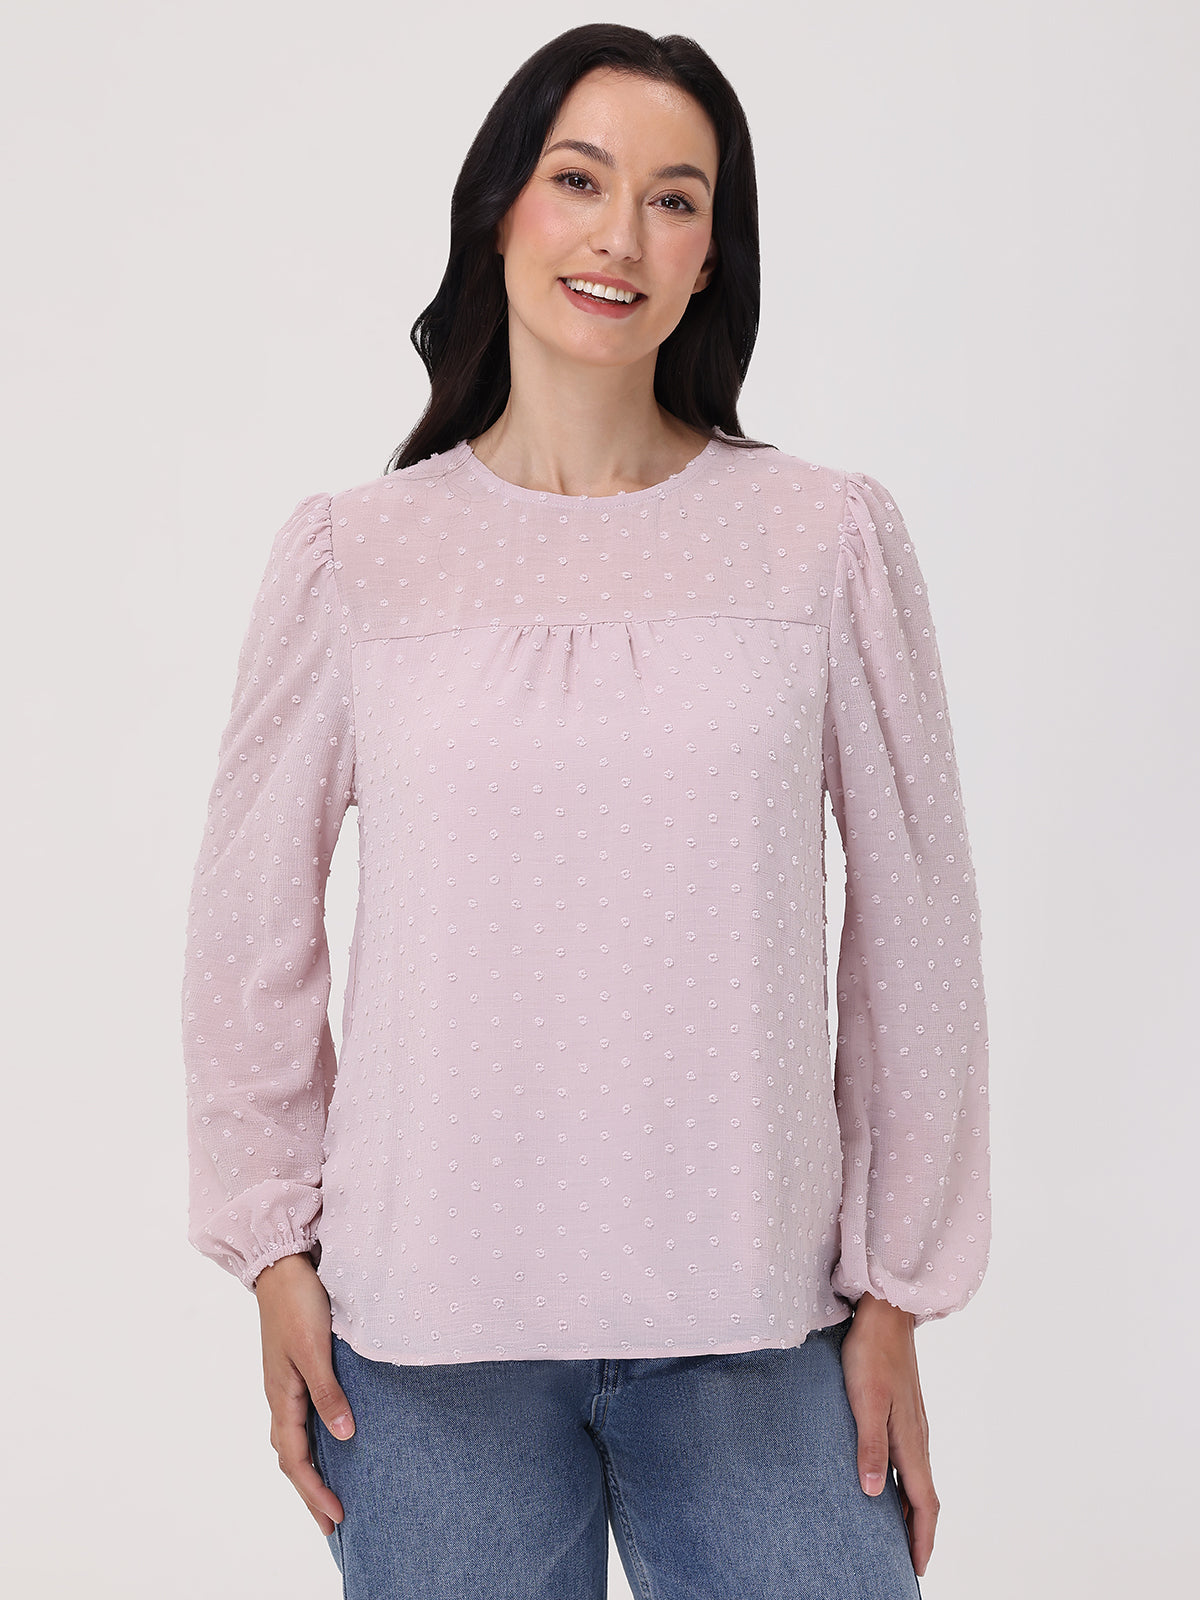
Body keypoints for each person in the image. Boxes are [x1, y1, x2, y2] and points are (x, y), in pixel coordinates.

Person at [180, 22, 990, 1599]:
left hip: (762, 1329)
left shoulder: (822, 539)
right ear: (500, 209)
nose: (622, 233)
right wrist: (273, 1251)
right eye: (580, 179)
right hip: (424, 1352)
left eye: (676, 200)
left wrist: (893, 1292)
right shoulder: (355, 557)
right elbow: (245, 931)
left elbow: (919, 931)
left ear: (710, 261)